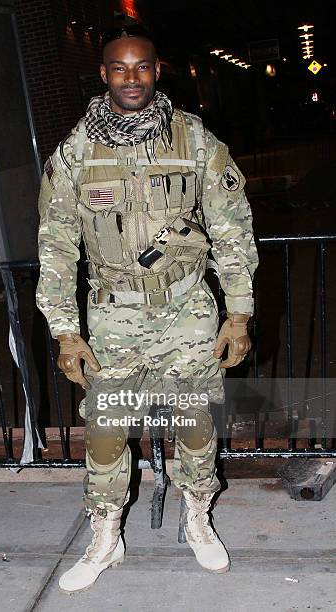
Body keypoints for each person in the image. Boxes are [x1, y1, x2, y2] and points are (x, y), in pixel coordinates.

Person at [36, 25, 258, 594]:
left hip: (187, 310)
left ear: (158, 71)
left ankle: (198, 519)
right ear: (103, 73)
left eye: (142, 67)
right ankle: (106, 536)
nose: (130, 78)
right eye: (119, 68)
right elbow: (56, 244)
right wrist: (64, 330)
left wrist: (239, 312)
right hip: (113, 315)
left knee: (192, 422)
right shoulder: (76, 152)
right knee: (107, 430)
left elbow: (232, 230)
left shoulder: (195, 142)